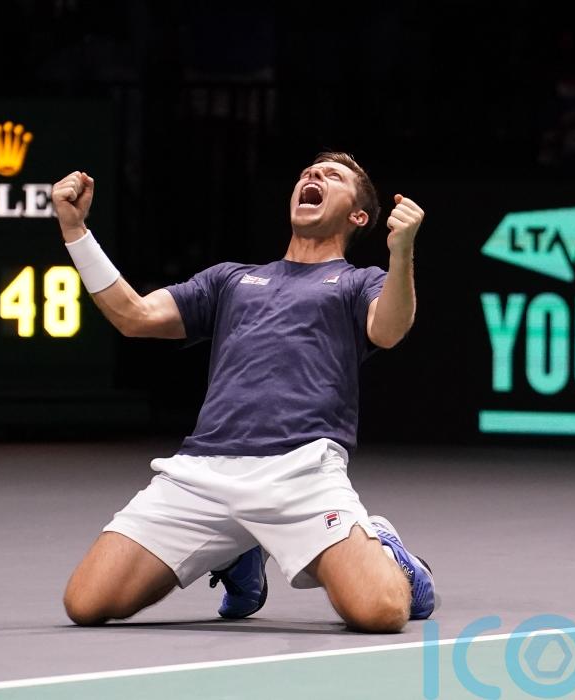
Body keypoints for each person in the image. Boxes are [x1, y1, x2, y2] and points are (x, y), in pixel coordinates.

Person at [54, 152, 434, 632]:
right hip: (202, 472)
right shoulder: (230, 280)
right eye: (308, 172)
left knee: (380, 612)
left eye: (332, 176)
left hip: (299, 471)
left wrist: (401, 253)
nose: (313, 175)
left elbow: (389, 330)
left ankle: (385, 548)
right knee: (86, 603)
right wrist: (75, 230)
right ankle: (240, 552)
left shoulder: (359, 283)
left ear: (358, 216)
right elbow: (135, 316)